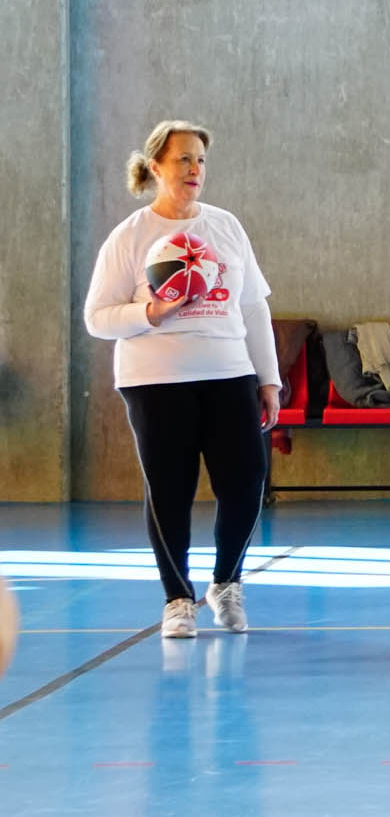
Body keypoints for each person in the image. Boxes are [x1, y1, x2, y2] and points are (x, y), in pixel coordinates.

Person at [83, 120, 281, 639]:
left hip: (230, 374)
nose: (195, 170)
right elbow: (97, 317)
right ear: (156, 167)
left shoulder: (226, 227)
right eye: (183, 160)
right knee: (170, 490)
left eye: (200, 160)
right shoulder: (129, 237)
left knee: (245, 484)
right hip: (155, 381)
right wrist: (151, 310)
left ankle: (226, 583)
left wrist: (269, 379)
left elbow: (254, 307)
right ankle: (177, 598)